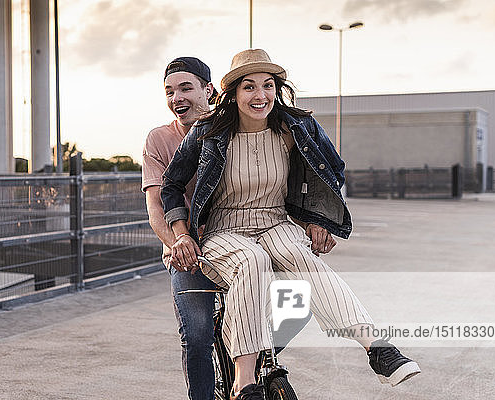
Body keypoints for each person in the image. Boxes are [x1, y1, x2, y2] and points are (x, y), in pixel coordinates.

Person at [161, 49, 421, 399]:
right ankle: (244, 382)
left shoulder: (295, 126)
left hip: (276, 221)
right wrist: (180, 233)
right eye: (249, 87)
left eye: (268, 86)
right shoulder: (209, 131)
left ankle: (377, 349)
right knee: (251, 262)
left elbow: (332, 170)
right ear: (234, 94)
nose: (260, 95)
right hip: (224, 228)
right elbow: (172, 185)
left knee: (302, 259)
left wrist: (317, 219)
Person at [142, 57, 219, 400]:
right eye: (169, 91)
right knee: (198, 334)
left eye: (186, 88)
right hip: (186, 250)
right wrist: (178, 242)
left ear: (209, 90)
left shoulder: (232, 129)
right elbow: (156, 205)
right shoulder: (159, 139)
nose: (177, 98)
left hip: (238, 240)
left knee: (292, 308)